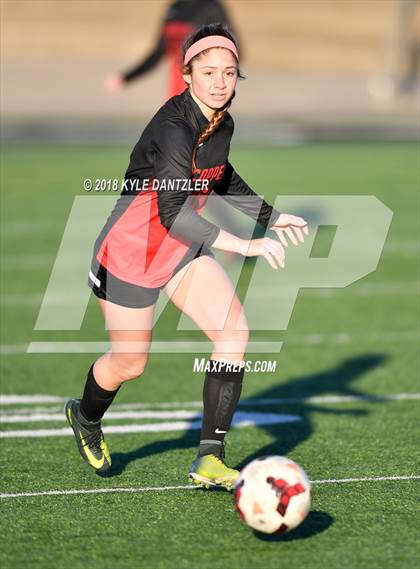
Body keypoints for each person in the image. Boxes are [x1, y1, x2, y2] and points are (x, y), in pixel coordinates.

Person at [65, 23, 308, 491]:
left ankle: (210, 458)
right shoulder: (173, 126)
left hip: (181, 250)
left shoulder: (222, 121)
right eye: (209, 71)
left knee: (234, 332)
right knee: (130, 364)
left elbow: (220, 176)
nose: (220, 81)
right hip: (131, 252)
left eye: (230, 72)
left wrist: (270, 218)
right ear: (187, 75)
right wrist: (244, 244)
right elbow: (172, 211)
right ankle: (86, 416)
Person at [105, 0, 237, 100]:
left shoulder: (211, 7)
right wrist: (126, 78)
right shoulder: (174, 9)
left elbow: (234, 47)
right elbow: (157, 53)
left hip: (204, 95)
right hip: (175, 95)